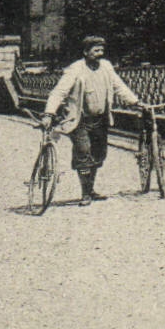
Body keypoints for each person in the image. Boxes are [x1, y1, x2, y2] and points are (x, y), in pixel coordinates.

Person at [41, 35, 141, 206]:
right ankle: (85, 193)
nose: (100, 53)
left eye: (102, 50)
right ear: (86, 52)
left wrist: (135, 102)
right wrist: (49, 113)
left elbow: (119, 86)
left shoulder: (106, 66)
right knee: (83, 151)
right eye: (96, 50)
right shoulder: (75, 69)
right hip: (79, 120)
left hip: (100, 119)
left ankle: (91, 189)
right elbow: (59, 92)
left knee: (98, 154)